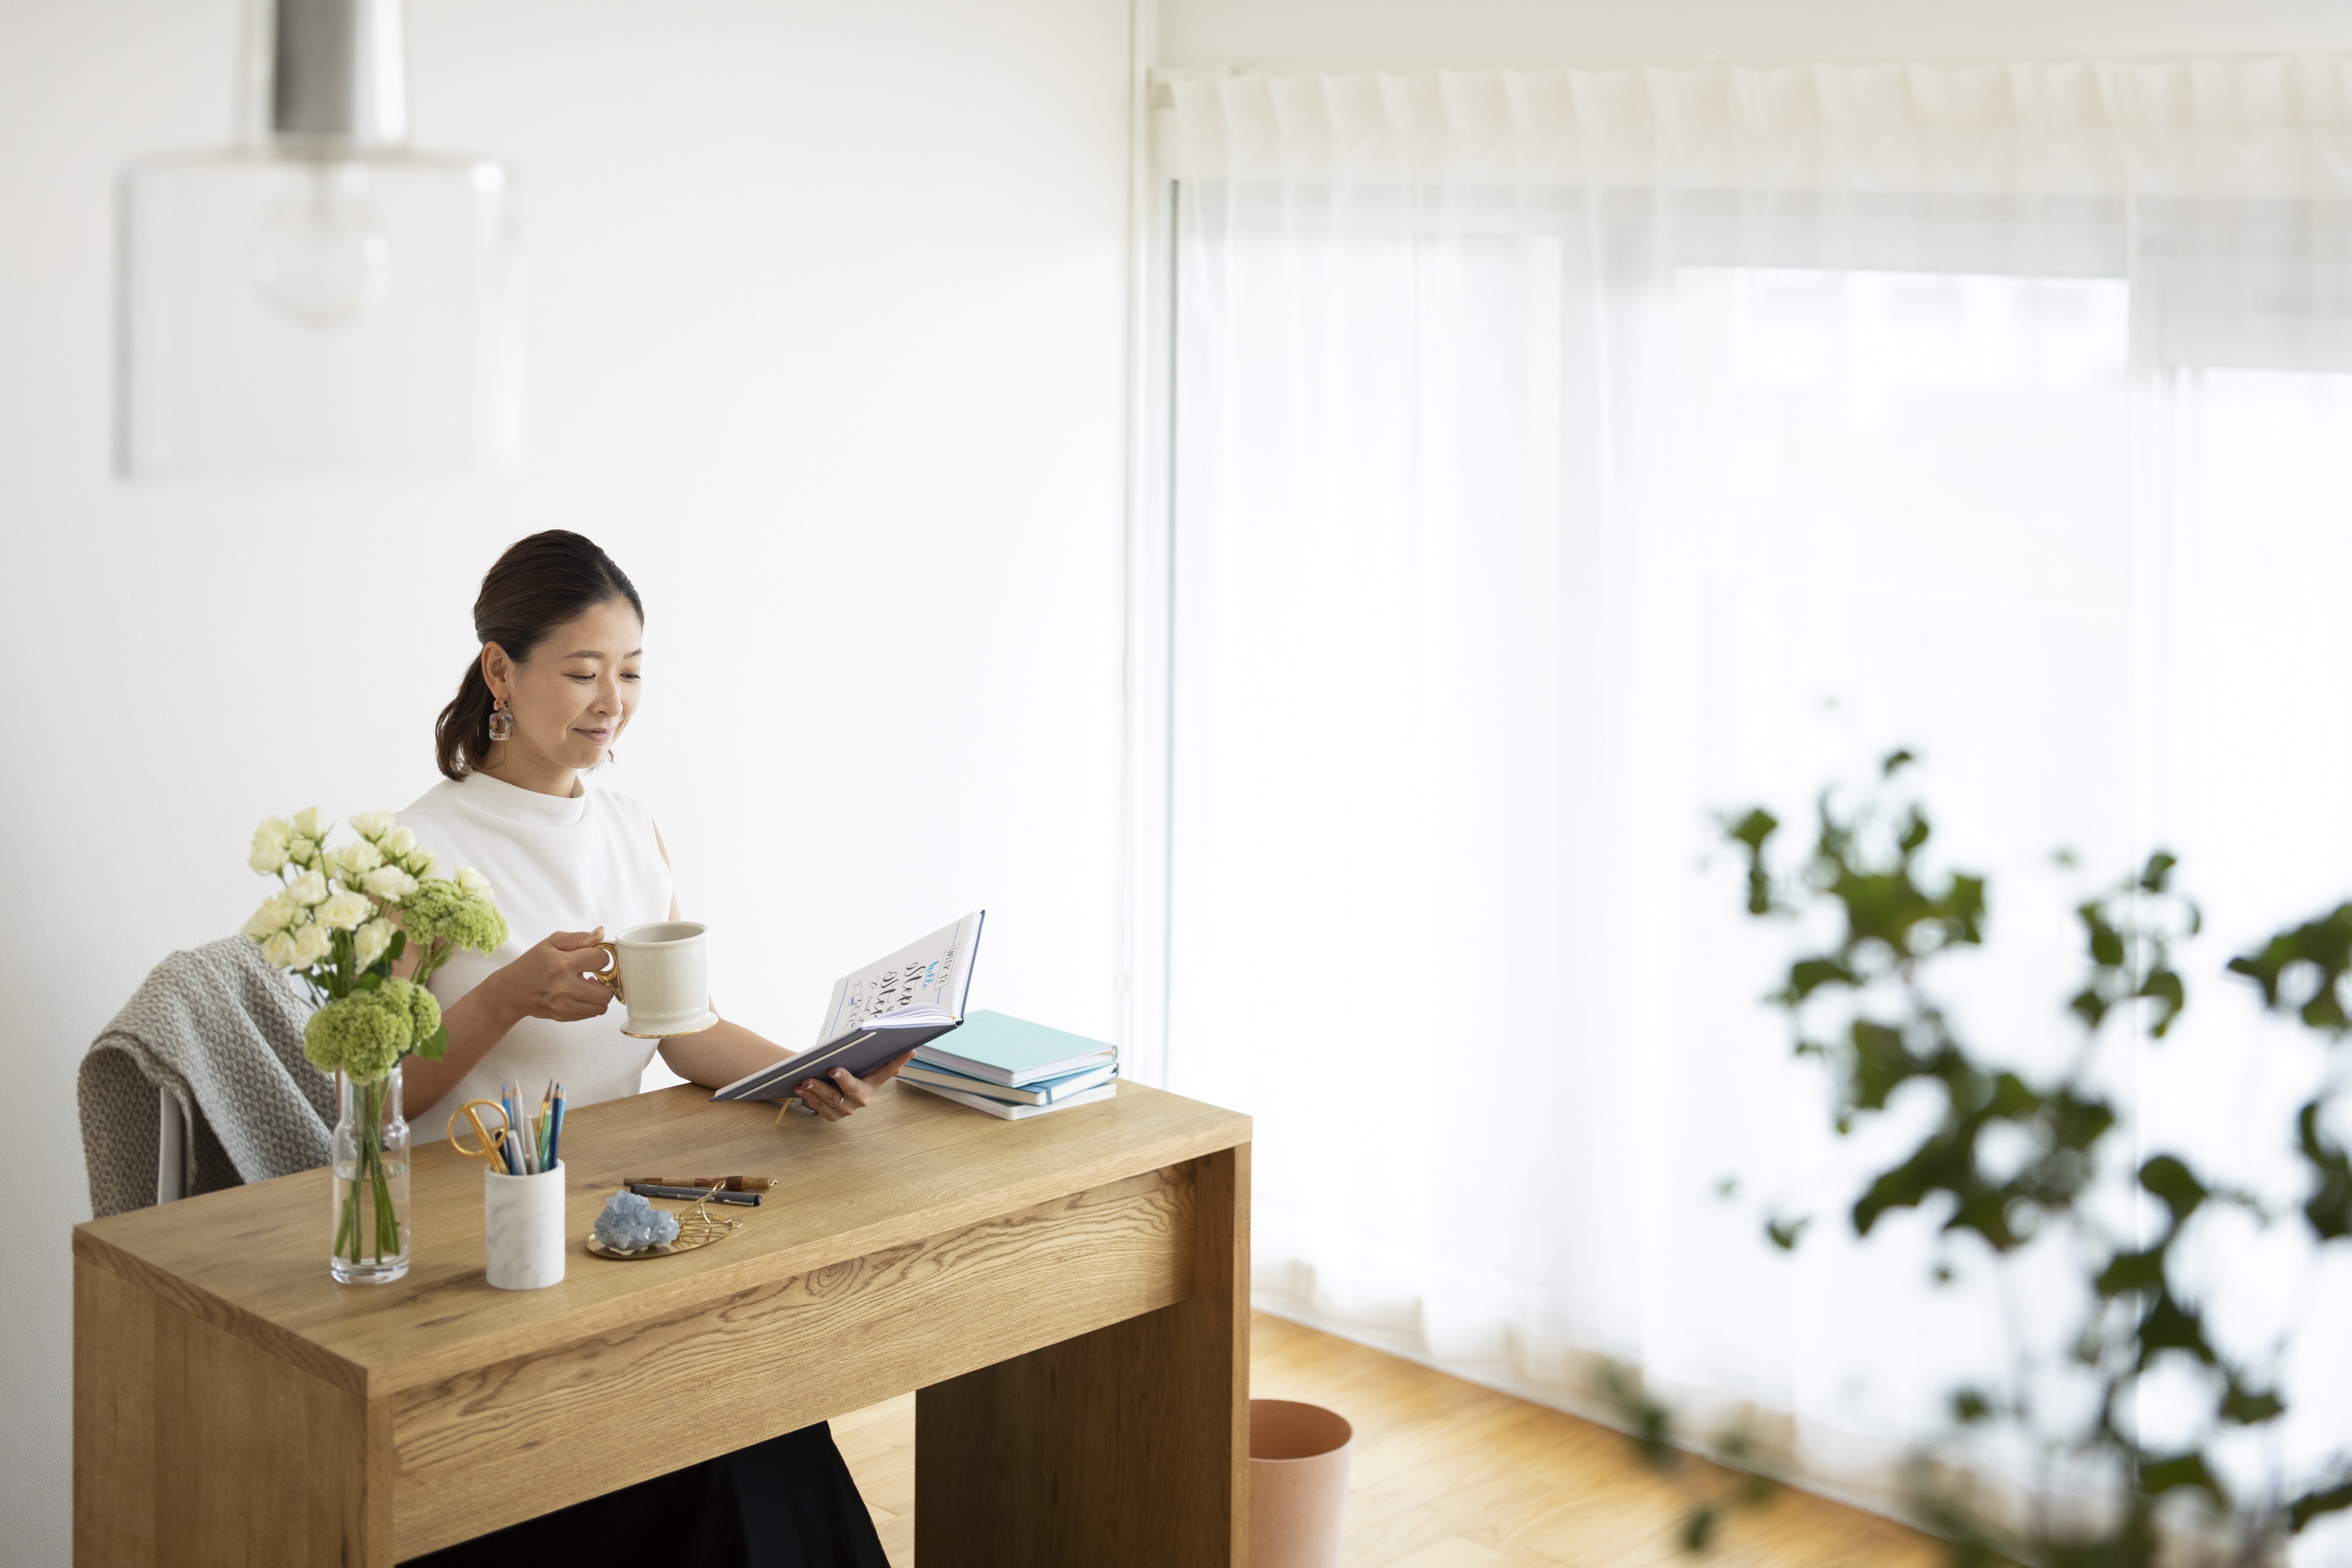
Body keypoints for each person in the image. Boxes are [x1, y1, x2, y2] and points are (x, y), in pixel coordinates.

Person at [394, 530, 897, 1568]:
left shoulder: (629, 826)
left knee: (764, 1416)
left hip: (620, 1223)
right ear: (501, 669)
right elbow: (374, 1098)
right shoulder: (417, 849)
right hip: (481, 1234)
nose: (609, 700)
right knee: (710, 1454)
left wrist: (808, 1076)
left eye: (629, 674)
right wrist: (504, 996)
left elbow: (683, 1029)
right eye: (581, 672)